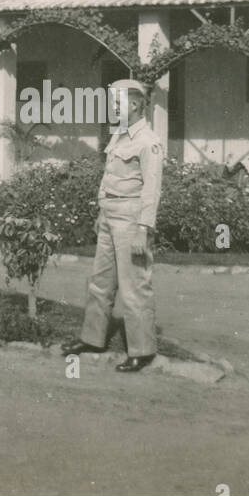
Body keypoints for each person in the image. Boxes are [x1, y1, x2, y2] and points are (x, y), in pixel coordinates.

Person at [62, 79, 163, 372]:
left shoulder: (148, 142)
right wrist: (101, 211)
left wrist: (144, 228)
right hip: (109, 215)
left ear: (133, 105)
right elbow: (109, 177)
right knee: (100, 282)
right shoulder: (119, 135)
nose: (111, 109)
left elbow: (151, 189)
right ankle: (93, 339)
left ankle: (142, 350)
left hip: (132, 219)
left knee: (134, 286)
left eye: (116, 104)